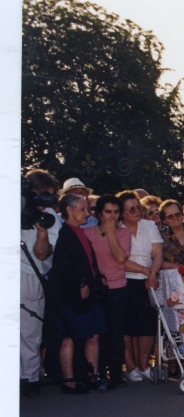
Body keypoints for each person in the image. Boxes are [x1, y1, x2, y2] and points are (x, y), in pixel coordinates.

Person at [49, 191, 106, 394]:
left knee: (93, 334)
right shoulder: (66, 235)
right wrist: (79, 286)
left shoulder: (79, 232)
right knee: (69, 336)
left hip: (89, 292)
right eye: (82, 209)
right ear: (69, 210)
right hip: (73, 295)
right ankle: (69, 381)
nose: (87, 213)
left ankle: (93, 376)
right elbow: (62, 268)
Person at [20, 170, 62, 396]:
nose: (46, 200)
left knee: (30, 331)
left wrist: (42, 232)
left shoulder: (49, 218)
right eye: (42, 195)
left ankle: (29, 378)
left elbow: (43, 254)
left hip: (30, 274)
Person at [84, 194, 131, 388]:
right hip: (97, 289)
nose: (112, 216)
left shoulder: (123, 233)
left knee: (115, 334)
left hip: (117, 288)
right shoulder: (87, 233)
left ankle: (116, 376)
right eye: (108, 212)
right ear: (100, 213)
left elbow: (121, 258)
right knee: (97, 334)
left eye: (116, 212)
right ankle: (98, 373)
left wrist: (111, 233)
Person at [119, 191, 163, 382]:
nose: (136, 211)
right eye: (131, 208)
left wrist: (152, 273)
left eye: (138, 207)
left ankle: (144, 365)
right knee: (126, 327)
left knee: (146, 324)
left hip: (148, 279)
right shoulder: (116, 228)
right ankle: (130, 367)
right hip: (123, 279)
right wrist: (147, 271)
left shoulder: (149, 225)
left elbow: (158, 253)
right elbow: (119, 259)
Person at [159, 199, 184, 269]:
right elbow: (156, 259)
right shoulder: (159, 237)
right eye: (170, 216)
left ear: (182, 214)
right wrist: (179, 268)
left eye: (177, 214)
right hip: (170, 277)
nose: (175, 218)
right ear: (164, 220)